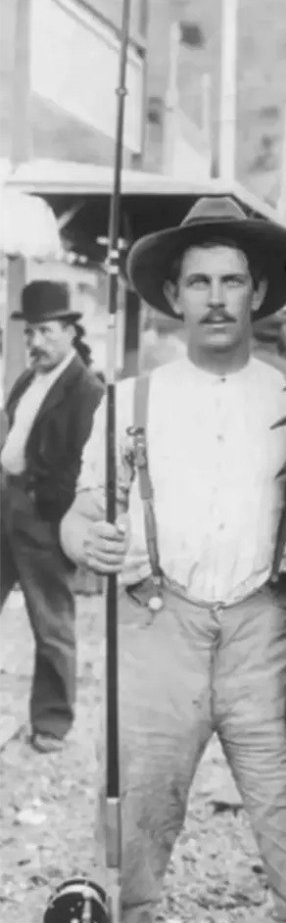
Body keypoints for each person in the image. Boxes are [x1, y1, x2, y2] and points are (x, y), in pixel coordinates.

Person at [14, 196, 286, 923]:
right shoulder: (130, 398)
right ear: (171, 294)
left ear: (257, 294)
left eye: (231, 281)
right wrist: (92, 541)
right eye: (196, 281)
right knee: (127, 847)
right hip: (156, 630)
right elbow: (79, 512)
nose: (213, 298)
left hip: (262, 633)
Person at [1, 281, 104, 753]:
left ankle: (52, 724)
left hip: (44, 515)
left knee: (51, 622)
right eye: (29, 333)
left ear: (67, 332)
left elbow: (83, 465)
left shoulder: (86, 390)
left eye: (44, 332)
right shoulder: (28, 378)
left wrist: (49, 508)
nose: (35, 342)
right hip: (6, 504)